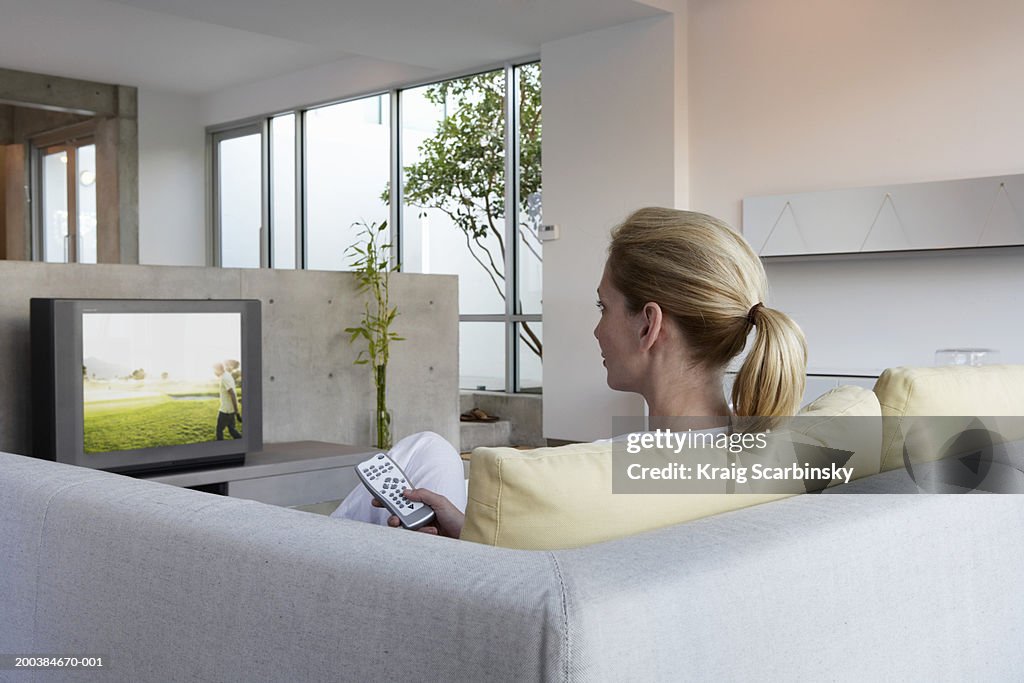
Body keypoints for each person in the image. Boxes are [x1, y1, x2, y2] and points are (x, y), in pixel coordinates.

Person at [331, 207, 808, 538]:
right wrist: (466, 528)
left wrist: (468, 541)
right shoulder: (775, 455)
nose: (598, 331)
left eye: (604, 307)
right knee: (433, 456)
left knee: (423, 451)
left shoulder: (577, 477)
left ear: (649, 324)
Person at [213, 361, 242, 440]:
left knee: (219, 430)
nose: (214, 372)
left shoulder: (224, 378)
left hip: (225, 411)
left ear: (218, 369)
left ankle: (220, 449)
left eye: (214, 370)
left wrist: (237, 413)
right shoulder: (228, 375)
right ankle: (241, 441)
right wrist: (235, 412)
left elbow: (232, 393)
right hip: (230, 411)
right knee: (232, 430)